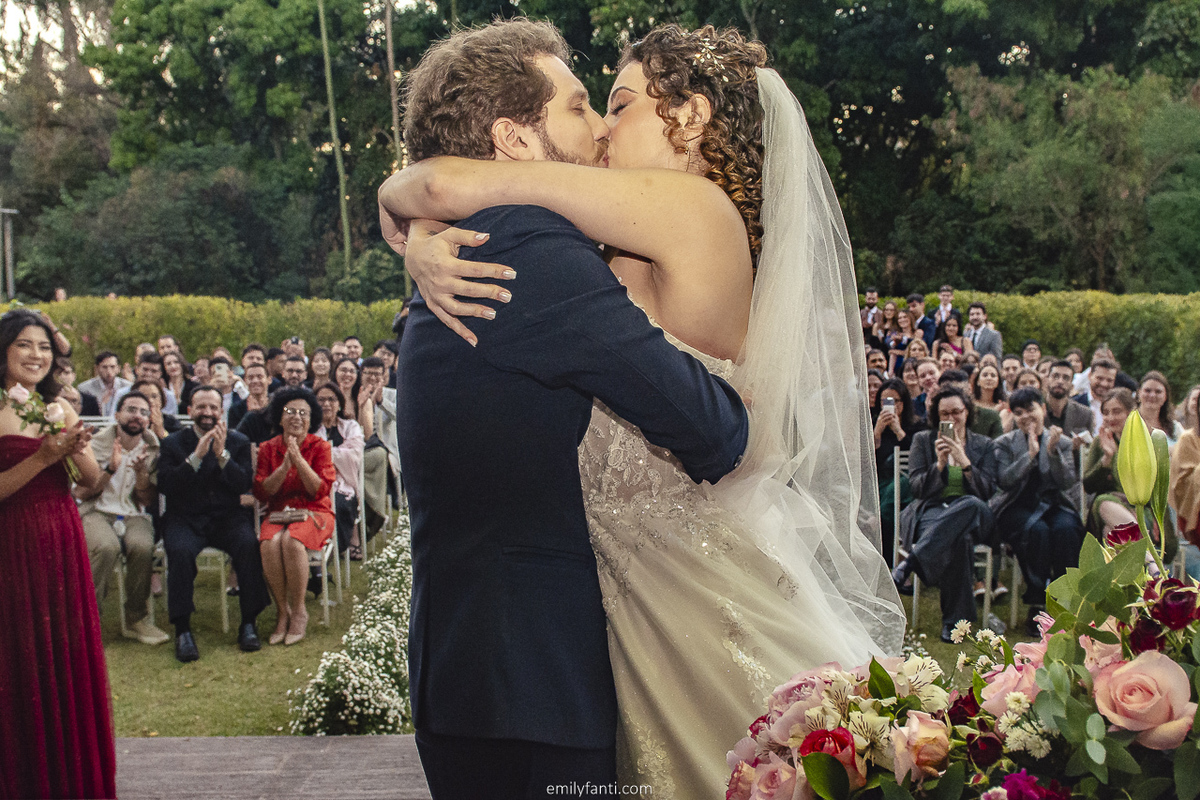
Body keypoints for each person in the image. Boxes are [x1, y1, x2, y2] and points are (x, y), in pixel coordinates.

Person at [380, 20, 901, 798]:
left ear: (688, 118)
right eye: (589, 106)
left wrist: (410, 206)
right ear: (517, 136)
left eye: (614, 103)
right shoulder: (569, 243)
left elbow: (450, 186)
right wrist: (415, 225)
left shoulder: (688, 209)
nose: (601, 126)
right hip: (589, 626)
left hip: (678, 592)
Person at [0, 309, 113, 798]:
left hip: (59, 539)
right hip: (10, 541)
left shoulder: (60, 408)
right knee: (18, 656)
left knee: (63, 656)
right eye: (25, 345)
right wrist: (43, 457)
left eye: (44, 348)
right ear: (5, 350)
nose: (36, 356)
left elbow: (90, 482)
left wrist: (74, 449)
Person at [158, 386, 268, 662]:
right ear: (189, 411)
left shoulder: (238, 441)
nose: (207, 413)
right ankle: (182, 629)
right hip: (185, 517)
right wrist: (195, 457)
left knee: (247, 544)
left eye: (213, 408)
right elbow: (166, 486)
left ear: (222, 412)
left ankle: (248, 622)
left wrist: (221, 456)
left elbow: (244, 484)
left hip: (226, 517)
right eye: (201, 407)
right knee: (180, 552)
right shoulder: (172, 443)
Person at [893, 385, 997, 642]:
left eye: (956, 412)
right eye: (944, 414)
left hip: (975, 513)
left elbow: (988, 492)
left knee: (970, 504)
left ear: (967, 412)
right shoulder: (923, 441)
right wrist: (939, 465)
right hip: (933, 510)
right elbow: (916, 489)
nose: (950, 419)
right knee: (958, 540)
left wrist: (965, 462)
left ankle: (911, 561)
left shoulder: (983, 445)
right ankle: (955, 624)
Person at [75, 391, 168, 645]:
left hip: (133, 514)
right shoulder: (95, 445)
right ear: (117, 415)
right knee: (106, 547)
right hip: (97, 511)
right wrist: (111, 469)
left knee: (142, 546)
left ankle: (136, 618)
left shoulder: (154, 450)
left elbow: (146, 501)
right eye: (131, 409)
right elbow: (82, 493)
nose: (137, 416)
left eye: (143, 412)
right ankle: (88, 622)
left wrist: (141, 475)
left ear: (149, 420)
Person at [990, 388, 1085, 634]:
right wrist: (1030, 456)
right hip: (1016, 505)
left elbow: (1067, 482)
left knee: (1066, 529)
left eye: (1030, 409)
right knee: (1037, 531)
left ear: (1042, 409)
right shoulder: (1004, 444)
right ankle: (1037, 602)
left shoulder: (1061, 442)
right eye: (1018, 413)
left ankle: (1065, 600)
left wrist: (1052, 453)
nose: (1025, 417)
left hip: (1054, 503)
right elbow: (1004, 481)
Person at [253, 387, 336, 646]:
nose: (296, 417)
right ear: (280, 417)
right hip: (278, 514)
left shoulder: (320, 446)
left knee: (291, 541)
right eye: (290, 411)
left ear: (311, 420)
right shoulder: (268, 448)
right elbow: (262, 491)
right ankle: (282, 611)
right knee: (269, 543)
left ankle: (299, 611)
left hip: (315, 512)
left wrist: (298, 459)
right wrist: (284, 465)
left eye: (303, 413)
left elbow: (319, 489)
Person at [1082, 388, 1176, 563]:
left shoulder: (1148, 442)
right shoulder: (1100, 442)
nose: (1110, 418)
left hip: (1143, 512)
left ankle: (1130, 583)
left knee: (1112, 534)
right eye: (1106, 413)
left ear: (1131, 413)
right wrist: (1106, 459)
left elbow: (1155, 492)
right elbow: (1089, 487)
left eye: (1116, 412)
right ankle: (1152, 566)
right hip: (1107, 511)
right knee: (1103, 503)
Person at [873, 377, 922, 562]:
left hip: (905, 482)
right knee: (888, 498)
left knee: (895, 493)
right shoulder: (873, 423)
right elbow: (866, 460)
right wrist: (877, 432)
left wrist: (898, 431)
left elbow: (917, 457)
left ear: (903, 403)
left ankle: (888, 558)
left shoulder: (916, 426)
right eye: (885, 402)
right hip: (880, 481)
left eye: (894, 401)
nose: (890, 406)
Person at [315, 383, 365, 557]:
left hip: (345, 483)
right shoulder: (310, 428)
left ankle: (336, 550)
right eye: (321, 399)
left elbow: (354, 455)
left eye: (331, 399)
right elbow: (310, 456)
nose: (326, 404)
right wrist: (337, 453)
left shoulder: (350, 426)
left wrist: (324, 451)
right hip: (317, 482)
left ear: (340, 403)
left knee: (341, 505)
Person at [1043, 360, 1093, 445]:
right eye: (1055, 376)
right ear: (1047, 380)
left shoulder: (1085, 414)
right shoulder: (1035, 410)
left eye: (1066, 378)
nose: (1060, 381)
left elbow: (1087, 450)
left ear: (1072, 385)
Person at [79, 350, 132, 416]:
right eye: (104, 367)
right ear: (97, 368)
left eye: (112, 367)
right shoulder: (85, 388)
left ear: (118, 368)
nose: (109, 371)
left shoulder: (128, 387)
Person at [1073, 357, 1118, 434]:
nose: (1104, 384)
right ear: (1090, 376)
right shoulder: (1075, 403)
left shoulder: (1119, 408)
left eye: (1109, 380)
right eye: (1100, 378)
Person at [1138, 370, 1183, 445]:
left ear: (1166, 396)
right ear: (1139, 393)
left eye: (1158, 392)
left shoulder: (1175, 428)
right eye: (1147, 391)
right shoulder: (1128, 423)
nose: (1152, 395)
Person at [229, 362, 271, 430]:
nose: (255, 381)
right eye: (250, 378)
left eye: (259, 377)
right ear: (245, 381)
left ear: (269, 380)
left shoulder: (276, 404)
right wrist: (250, 415)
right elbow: (235, 436)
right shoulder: (236, 409)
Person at [971, 362, 1012, 432]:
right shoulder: (970, 404)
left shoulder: (1004, 406)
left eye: (993, 376)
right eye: (985, 375)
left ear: (998, 382)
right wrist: (994, 412)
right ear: (978, 381)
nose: (989, 378)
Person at [163, 351, 197, 416]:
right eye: (168, 364)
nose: (173, 366)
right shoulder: (163, 386)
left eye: (176, 362)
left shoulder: (194, 386)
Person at [885, 308, 915, 375]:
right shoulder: (895, 334)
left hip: (912, 365)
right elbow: (890, 350)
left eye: (905, 317)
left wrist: (898, 352)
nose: (902, 320)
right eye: (900, 318)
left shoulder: (917, 333)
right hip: (897, 367)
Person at [332, 357, 361, 422]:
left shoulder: (360, 398)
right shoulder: (327, 396)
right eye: (343, 370)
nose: (348, 374)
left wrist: (361, 407)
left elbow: (366, 430)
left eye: (352, 371)